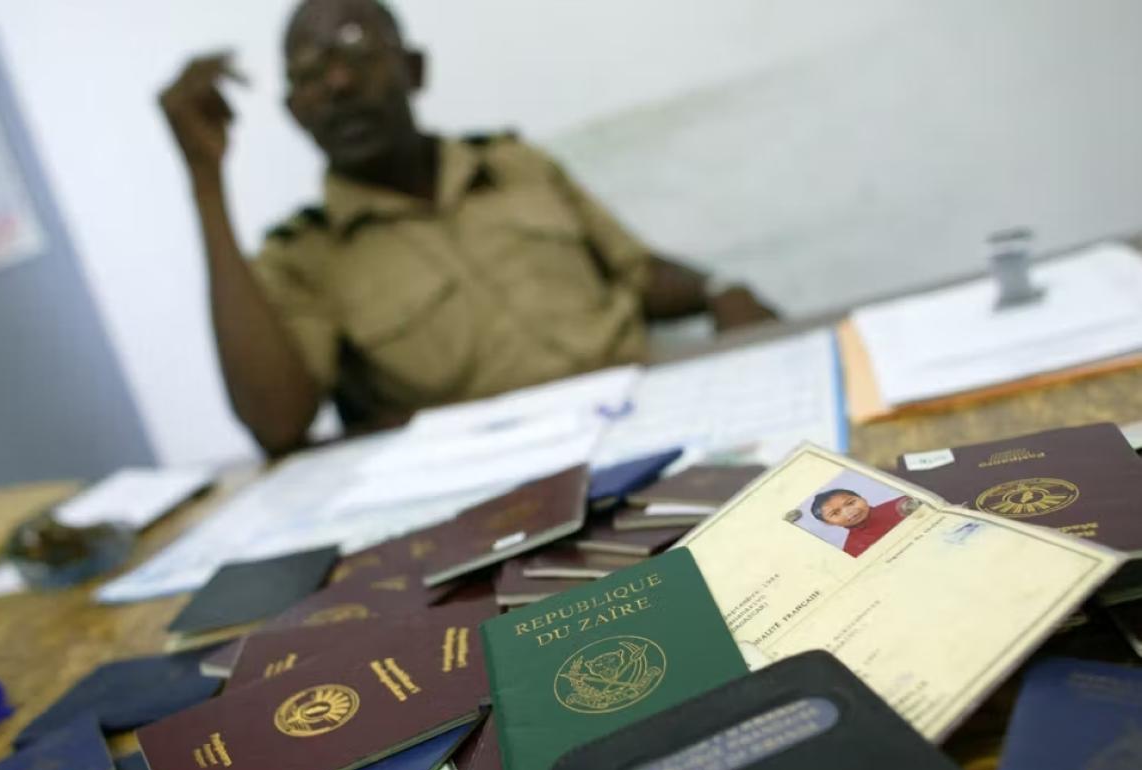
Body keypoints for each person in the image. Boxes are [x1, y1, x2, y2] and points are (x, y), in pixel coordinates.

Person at [159, 0, 777, 455]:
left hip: (660, 422)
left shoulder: (515, 164)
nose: (338, 84)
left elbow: (638, 272)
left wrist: (722, 286)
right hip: (512, 483)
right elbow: (276, 422)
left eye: (355, 53)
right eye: (309, 74)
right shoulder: (304, 254)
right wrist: (205, 181)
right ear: (295, 112)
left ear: (415, 70)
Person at [810, 489, 914, 558]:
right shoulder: (852, 550)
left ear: (862, 498)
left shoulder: (904, 504)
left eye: (851, 503)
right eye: (835, 513)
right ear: (828, 523)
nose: (849, 511)